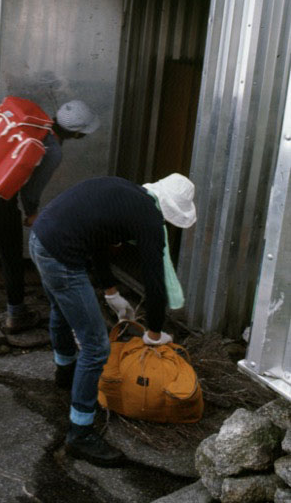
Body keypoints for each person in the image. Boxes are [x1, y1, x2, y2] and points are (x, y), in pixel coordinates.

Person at [28, 173, 196, 467]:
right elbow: (154, 282)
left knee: (61, 310)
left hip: (40, 237)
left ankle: (65, 374)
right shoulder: (148, 218)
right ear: (169, 210)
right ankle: (80, 432)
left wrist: (111, 291)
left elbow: (96, 240)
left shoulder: (125, 191)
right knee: (96, 347)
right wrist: (154, 332)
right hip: (60, 255)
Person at [0, 99, 100, 334]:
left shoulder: (36, 123)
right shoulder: (53, 150)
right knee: (11, 256)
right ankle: (16, 314)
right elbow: (31, 191)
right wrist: (31, 213)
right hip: (0, 198)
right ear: (77, 135)